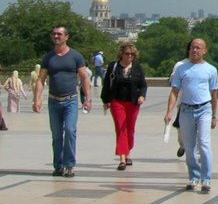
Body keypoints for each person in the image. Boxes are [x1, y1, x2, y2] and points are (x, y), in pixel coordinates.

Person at [33, 25, 92, 177]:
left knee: (70, 131)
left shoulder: (75, 56)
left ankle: (69, 165)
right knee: (57, 135)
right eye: (54, 34)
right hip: (54, 101)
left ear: (66, 37)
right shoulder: (48, 58)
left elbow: (84, 77)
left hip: (70, 100)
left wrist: (88, 99)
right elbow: (41, 79)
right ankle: (58, 165)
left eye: (59, 34)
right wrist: (37, 99)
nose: (56, 37)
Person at [164, 38, 218, 193]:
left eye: (198, 48)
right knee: (189, 146)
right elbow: (174, 91)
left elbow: (214, 93)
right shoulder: (182, 69)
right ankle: (193, 176)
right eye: (193, 48)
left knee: (204, 144)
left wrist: (214, 115)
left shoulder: (211, 70)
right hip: (186, 110)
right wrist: (169, 111)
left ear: (204, 51)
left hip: (204, 109)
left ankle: (206, 179)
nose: (195, 51)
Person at [100, 42, 147, 170]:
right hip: (117, 102)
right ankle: (122, 159)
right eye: (127, 54)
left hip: (133, 103)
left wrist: (142, 96)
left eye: (132, 54)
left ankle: (127, 153)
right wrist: (105, 100)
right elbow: (106, 84)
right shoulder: (113, 67)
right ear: (121, 54)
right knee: (121, 129)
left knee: (130, 130)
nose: (129, 56)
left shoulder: (137, 68)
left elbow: (143, 85)